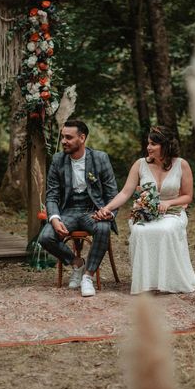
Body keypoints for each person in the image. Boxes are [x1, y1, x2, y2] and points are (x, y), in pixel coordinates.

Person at [96, 126, 195, 294]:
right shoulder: (140, 164)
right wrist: (107, 208)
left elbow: (187, 196)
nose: (148, 147)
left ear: (165, 146)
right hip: (145, 212)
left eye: (153, 144)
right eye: (148, 143)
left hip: (172, 213)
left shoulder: (182, 165)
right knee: (139, 231)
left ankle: (169, 280)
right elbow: (125, 192)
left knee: (165, 230)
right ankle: (147, 281)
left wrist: (169, 203)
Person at [38, 119, 118, 297]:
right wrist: (55, 218)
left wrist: (107, 212)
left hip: (93, 210)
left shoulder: (100, 158)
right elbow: (52, 195)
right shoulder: (58, 160)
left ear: (82, 138)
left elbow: (112, 194)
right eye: (62, 137)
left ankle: (87, 277)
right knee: (45, 237)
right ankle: (77, 264)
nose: (63, 141)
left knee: (103, 228)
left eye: (68, 137)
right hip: (69, 211)